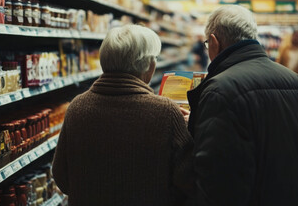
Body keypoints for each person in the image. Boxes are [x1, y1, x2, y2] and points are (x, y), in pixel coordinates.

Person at [185, 5, 298, 206]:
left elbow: (216, 180)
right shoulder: (296, 82)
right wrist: (292, 189)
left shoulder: (218, 90)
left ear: (214, 42)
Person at [52, 25, 194, 206]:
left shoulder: (77, 107)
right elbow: (188, 181)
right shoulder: (166, 112)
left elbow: (62, 179)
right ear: (149, 66)